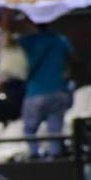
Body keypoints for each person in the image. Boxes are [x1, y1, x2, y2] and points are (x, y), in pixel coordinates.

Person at [18, 22, 72, 159]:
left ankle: (34, 155)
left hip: (35, 92)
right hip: (58, 90)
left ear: (32, 25)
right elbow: (71, 61)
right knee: (55, 129)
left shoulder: (26, 41)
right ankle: (55, 156)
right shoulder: (60, 39)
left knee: (29, 129)